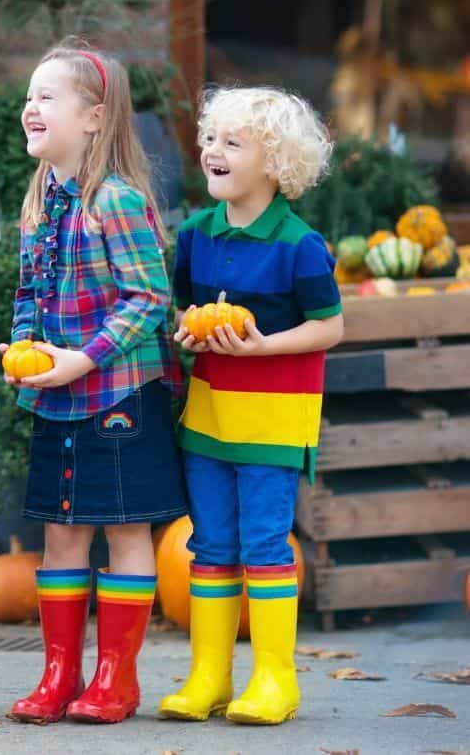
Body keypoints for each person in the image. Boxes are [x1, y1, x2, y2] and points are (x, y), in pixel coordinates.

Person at [5, 39, 187, 725]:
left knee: (127, 526)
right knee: (61, 531)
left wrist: (83, 357)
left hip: (118, 394)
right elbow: (29, 292)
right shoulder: (39, 204)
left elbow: (148, 299)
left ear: (94, 117)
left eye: (47, 96)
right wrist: (24, 344)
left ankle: (117, 677)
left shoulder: (117, 201)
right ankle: (59, 673)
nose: (31, 106)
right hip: (57, 395)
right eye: (29, 96)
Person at [160, 86, 344, 726]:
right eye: (210, 138)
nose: (213, 150)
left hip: (273, 419)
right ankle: (210, 675)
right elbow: (183, 307)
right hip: (209, 417)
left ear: (275, 163)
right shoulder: (195, 233)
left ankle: (275, 679)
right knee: (210, 544)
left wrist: (262, 347)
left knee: (265, 542)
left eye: (233, 143)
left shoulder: (300, 246)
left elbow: (329, 327)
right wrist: (187, 329)